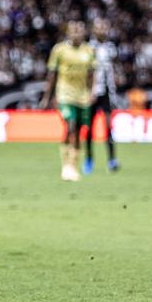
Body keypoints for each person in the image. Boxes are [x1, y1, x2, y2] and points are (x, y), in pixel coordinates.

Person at [39, 20, 95, 182]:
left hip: (82, 96)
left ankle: (74, 165)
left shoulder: (89, 50)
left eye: (79, 31)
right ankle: (66, 166)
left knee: (78, 130)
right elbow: (52, 74)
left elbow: (92, 74)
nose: (76, 33)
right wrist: (47, 97)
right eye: (73, 31)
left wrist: (92, 92)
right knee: (70, 125)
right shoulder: (59, 50)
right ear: (68, 33)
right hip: (65, 94)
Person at [82, 18, 120, 174]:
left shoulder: (111, 47)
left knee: (109, 126)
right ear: (93, 30)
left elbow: (113, 70)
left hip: (107, 93)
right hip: (92, 94)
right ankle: (89, 159)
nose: (103, 30)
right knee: (89, 127)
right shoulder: (88, 48)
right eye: (99, 27)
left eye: (105, 27)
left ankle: (112, 160)